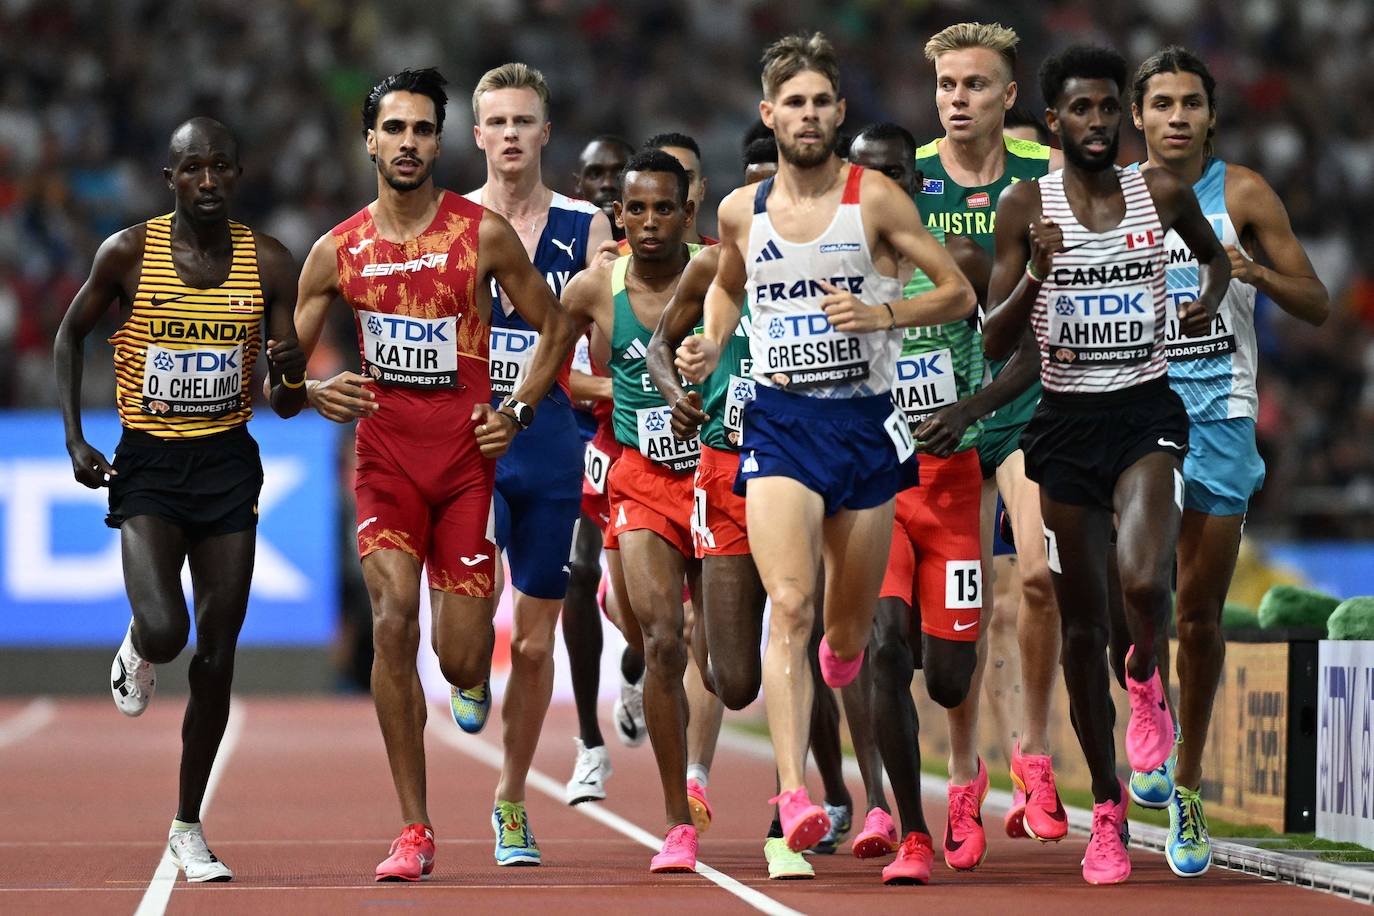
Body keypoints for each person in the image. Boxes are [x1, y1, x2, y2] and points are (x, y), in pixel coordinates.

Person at [677, 33, 974, 877]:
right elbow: (728, 284)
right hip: (781, 423)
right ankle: (794, 792)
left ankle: (839, 660)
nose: (807, 117)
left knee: (846, 631)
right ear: (768, 115)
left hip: (865, 426)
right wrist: (710, 343)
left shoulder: (873, 198)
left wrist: (884, 315)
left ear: (839, 112)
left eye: (820, 103)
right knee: (792, 605)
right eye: (793, 104)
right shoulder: (742, 210)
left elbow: (956, 291)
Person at [293, 67, 574, 882]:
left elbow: (556, 328)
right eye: (395, 129)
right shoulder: (336, 250)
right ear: (370, 141)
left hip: (464, 472)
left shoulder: (483, 234)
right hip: (384, 465)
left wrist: (517, 412)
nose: (408, 142)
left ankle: (464, 667)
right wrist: (310, 391)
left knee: (460, 662)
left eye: (422, 129)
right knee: (390, 624)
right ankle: (413, 828)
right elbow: (275, 378)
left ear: (438, 142)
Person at [982, 45, 1230, 885]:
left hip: (1144, 414)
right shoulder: (1026, 205)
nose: (1096, 122)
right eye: (1079, 109)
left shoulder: (1158, 191)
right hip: (1064, 428)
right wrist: (1035, 273)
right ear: (1053, 120)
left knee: (1144, 584)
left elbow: (1216, 260)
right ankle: (1108, 810)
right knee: (1083, 630)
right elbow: (995, 341)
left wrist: (1204, 301)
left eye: (1107, 107)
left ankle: (1147, 681)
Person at [54, 118, 308, 883]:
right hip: (150, 466)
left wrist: (291, 371)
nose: (207, 180)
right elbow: (69, 337)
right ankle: (138, 644)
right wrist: (75, 440)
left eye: (220, 167)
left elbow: (285, 402)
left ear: (238, 175)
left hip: (228, 464)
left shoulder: (271, 262)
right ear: (170, 179)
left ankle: (188, 826)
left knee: (217, 656)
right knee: (168, 632)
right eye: (192, 168)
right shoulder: (127, 253)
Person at [1125, 45, 1329, 876]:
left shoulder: (1241, 193)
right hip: (1135, 413)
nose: (1176, 117)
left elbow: (1316, 301)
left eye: (1190, 103)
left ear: (1211, 115)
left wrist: (1254, 273)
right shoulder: (1112, 196)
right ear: (1137, 115)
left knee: (1199, 617)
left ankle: (1188, 787)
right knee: (1138, 584)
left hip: (1222, 417)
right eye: (1161, 103)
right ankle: (1145, 697)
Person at [457, 62, 615, 864]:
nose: (511, 134)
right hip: (473, 442)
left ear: (545, 133)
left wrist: (606, 327)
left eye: (524, 121)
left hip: (551, 444)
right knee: (471, 618)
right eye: (498, 122)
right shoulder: (452, 223)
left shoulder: (586, 227)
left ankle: (511, 800)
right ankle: (464, 669)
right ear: (478, 134)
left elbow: (600, 351)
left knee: (531, 643)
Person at [914, 21, 1066, 844]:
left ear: (1009, 96)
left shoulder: (1049, 173)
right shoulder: (906, 180)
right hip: (943, 417)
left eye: (975, 84)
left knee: (1038, 577)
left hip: (1030, 402)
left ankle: (1034, 754)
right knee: (962, 605)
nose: (958, 99)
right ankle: (964, 772)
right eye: (947, 85)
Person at [847, 120, 1000, 879]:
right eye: (867, 175)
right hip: (876, 491)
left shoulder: (959, 262)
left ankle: (965, 779)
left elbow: (1013, 354)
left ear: (916, 182)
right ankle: (912, 833)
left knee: (947, 678)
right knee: (884, 647)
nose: (882, 187)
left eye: (897, 174)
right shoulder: (828, 278)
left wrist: (968, 412)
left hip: (951, 489)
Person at [560, 149, 719, 872]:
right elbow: (552, 359)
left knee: (725, 667)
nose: (650, 222)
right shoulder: (597, 285)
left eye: (664, 209)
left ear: (688, 213)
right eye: (637, 210)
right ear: (619, 216)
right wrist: (516, 409)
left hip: (717, 477)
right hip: (641, 477)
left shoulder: (719, 272)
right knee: (662, 642)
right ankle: (676, 819)